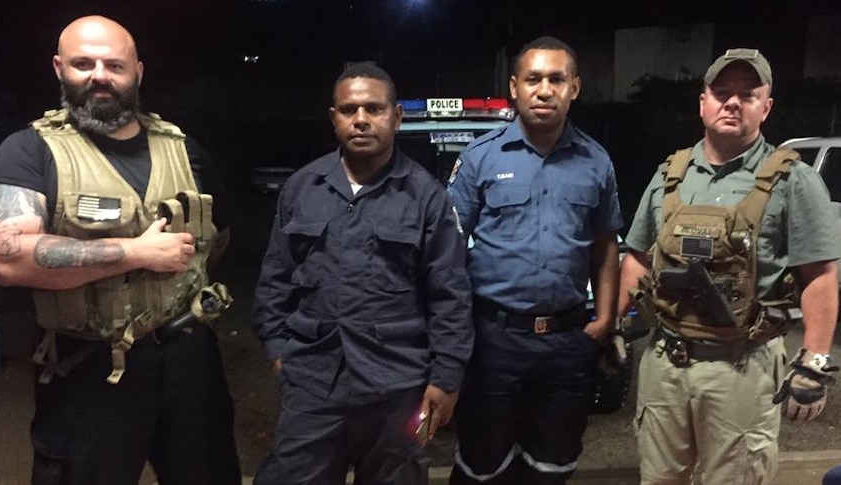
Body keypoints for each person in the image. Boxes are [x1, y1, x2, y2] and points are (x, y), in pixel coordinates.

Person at [0, 15, 241, 485]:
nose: (100, 75)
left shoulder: (184, 149)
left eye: (113, 65)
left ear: (137, 72)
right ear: (59, 68)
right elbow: (7, 254)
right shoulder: (29, 152)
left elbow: (218, 237)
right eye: (84, 63)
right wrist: (137, 254)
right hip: (89, 368)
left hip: (188, 358)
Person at [617, 48, 839, 485]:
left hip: (743, 367)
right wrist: (618, 329)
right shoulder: (670, 174)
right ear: (703, 102)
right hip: (666, 361)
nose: (732, 102)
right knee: (659, 478)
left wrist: (813, 361)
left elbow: (820, 277)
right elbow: (638, 257)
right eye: (722, 93)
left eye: (747, 94)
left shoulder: (794, 181)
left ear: (766, 107)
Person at [250, 62, 474, 485]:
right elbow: (274, 279)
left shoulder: (426, 197)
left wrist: (446, 378)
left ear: (396, 116)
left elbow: (450, 295)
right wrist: (280, 353)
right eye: (349, 109)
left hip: (397, 386)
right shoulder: (303, 187)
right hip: (314, 383)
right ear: (334, 117)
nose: (361, 119)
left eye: (374, 108)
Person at [447, 36, 624, 484]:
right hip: (493, 342)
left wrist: (604, 321)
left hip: (567, 342)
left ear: (575, 88)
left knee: (553, 463)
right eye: (533, 79)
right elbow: (446, 251)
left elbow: (605, 245)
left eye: (556, 79)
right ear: (515, 86)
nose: (544, 90)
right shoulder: (479, 159)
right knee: (483, 464)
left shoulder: (596, 162)